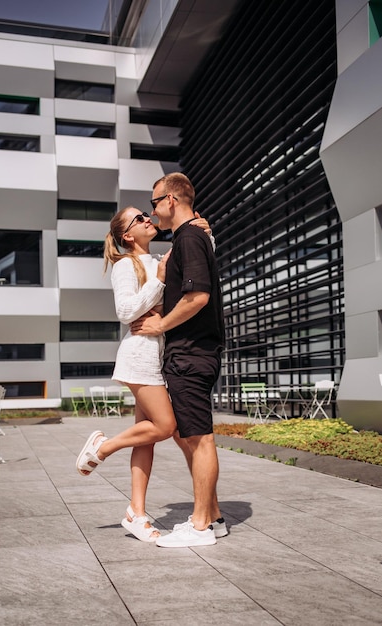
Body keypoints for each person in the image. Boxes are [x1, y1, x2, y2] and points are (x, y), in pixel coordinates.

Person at [75, 204, 213, 543]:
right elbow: (125, 311)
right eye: (139, 218)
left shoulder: (159, 259)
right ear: (127, 235)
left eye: (146, 215)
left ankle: (136, 512)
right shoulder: (127, 265)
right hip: (140, 357)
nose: (147, 219)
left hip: (159, 358)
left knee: (147, 436)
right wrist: (159, 282)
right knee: (165, 427)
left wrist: (209, 236)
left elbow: (194, 274)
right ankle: (104, 447)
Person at [130, 172, 225, 548]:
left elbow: (197, 296)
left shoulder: (188, 237)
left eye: (154, 203)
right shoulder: (192, 236)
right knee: (190, 436)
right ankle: (213, 517)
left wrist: (160, 326)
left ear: (171, 199)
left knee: (199, 440)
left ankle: (200, 527)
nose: (152, 212)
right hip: (191, 351)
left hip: (191, 352)